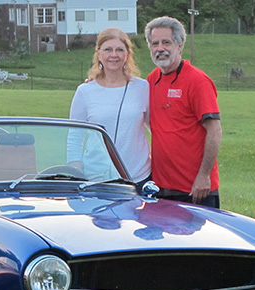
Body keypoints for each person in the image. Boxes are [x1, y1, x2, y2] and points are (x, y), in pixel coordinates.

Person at [144, 16, 222, 208]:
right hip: (161, 189)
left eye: (166, 42)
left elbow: (215, 131)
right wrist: (95, 83)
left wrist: (203, 177)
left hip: (195, 190)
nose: (160, 48)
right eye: (155, 43)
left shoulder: (197, 81)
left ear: (180, 45)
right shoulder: (151, 80)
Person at [68, 27, 151, 188]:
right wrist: (76, 172)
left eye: (119, 50)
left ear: (127, 54)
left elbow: (156, 128)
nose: (114, 55)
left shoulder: (142, 88)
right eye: (108, 50)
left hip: (137, 177)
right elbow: (74, 137)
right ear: (98, 54)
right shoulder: (85, 91)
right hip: (97, 178)